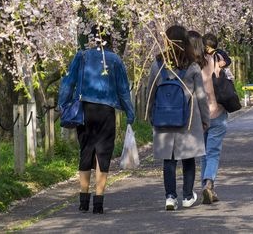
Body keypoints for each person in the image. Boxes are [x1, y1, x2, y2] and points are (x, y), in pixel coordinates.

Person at [58, 26, 135, 214]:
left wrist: (63, 104)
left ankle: (83, 200)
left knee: (86, 151)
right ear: (110, 40)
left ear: (91, 39)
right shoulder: (115, 60)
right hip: (106, 111)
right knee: (103, 153)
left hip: (85, 109)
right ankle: (98, 201)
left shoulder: (81, 56)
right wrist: (129, 111)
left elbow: (68, 82)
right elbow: (123, 89)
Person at [147, 25, 210, 210]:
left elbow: (151, 92)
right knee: (188, 159)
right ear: (185, 41)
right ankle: (187, 196)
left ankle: (170, 197)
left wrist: (151, 114)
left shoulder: (157, 65)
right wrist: (206, 119)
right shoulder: (192, 66)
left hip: (163, 119)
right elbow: (201, 96)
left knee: (169, 159)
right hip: (187, 120)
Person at [189, 31, 229, 204]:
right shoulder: (218, 61)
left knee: (204, 153)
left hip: (200, 115)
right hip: (218, 112)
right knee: (213, 152)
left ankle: (206, 187)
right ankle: (209, 184)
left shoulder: (194, 65)